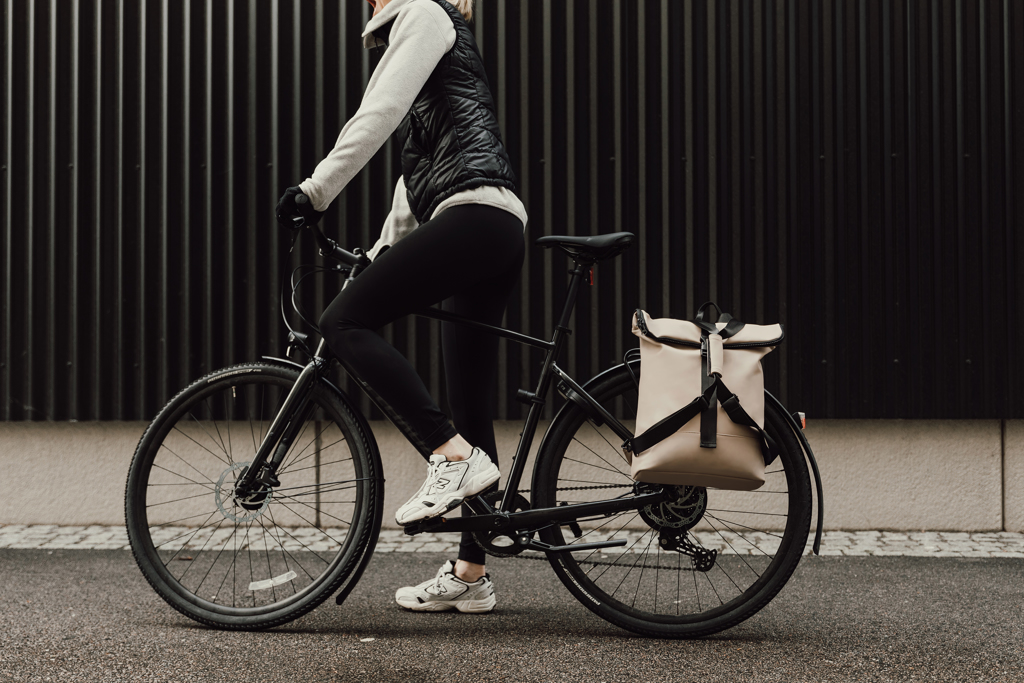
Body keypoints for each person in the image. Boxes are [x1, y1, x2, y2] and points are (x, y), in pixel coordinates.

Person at [276, 0, 527, 615]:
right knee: (469, 406)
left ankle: (447, 456)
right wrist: (375, 258)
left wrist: (315, 191)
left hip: (474, 216)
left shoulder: (423, 12)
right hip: (491, 224)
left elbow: (378, 110)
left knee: (341, 321)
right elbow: (412, 191)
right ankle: (471, 574)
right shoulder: (435, 40)